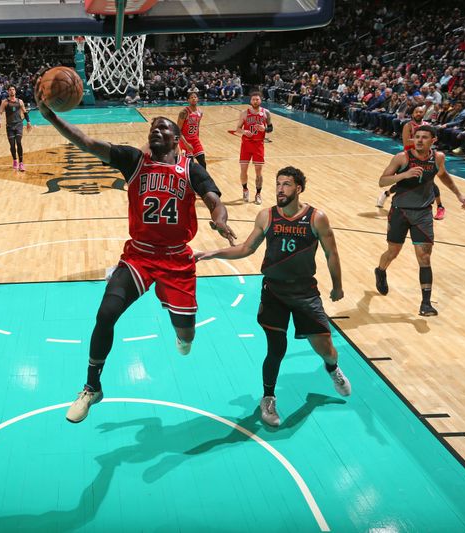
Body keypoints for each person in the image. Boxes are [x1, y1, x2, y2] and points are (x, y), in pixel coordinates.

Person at [35, 87, 237, 424]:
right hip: (139, 256)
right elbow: (86, 142)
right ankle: (91, 387)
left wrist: (219, 219)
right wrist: (52, 117)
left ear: (176, 140)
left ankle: (180, 329)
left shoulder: (191, 168)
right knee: (106, 313)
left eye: (163, 128)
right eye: (152, 128)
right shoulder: (134, 160)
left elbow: (214, 199)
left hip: (176, 259)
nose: (155, 131)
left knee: (186, 335)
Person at [196, 166, 351, 427]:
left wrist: (338, 286)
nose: (280, 189)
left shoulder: (316, 218)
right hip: (274, 291)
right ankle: (268, 398)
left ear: (298, 188)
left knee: (326, 349)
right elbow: (247, 248)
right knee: (276, 348)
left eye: (287, 184)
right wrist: (214, 253)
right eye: (278, 184)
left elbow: (331, 254)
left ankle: (332, 368)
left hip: (305, 292)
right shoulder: (266, 216)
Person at [374, 125, 465, 316]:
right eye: (416, 137)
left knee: (424, 257)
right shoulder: (402, 158)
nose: (419, 140)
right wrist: (404, 175)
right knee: (393, 252)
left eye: (424, 137)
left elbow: (443, 176)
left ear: (433, 140)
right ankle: (380, 270)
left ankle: (425, 303)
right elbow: (382, 181)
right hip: (399, 212)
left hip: (423, 214)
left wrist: (459, 195)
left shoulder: (438, 158)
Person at [377, 105, 445, 219]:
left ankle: (440, 207)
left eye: (421, 112)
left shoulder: (427, 126)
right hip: (410, 157)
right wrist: (422, 140)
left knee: (429, 182)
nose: (419, 113)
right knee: (405, 183)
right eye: (416, 112)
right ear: (413, 113)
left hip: (424, 156)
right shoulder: (408, 125)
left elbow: (431, 140)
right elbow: (406, 143)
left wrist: (425, 142)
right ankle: (387, 193)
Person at [235, 91, 273, 205]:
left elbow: (271, 128)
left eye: (257, 99)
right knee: (243, 170)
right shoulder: (244, 113)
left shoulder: (266, 113)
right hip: (246, 144)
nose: (255, 101)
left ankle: (258, 194)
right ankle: (245, 190)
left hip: (258, 145)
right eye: (253, 99)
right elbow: (237, 129)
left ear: (260, 100)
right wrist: (244, 131)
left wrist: (264, 129)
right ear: (250, 100)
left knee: (258, 172)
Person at [0, 86, 32, 171]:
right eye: (10, 90)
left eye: (13, 90)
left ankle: (21, 163)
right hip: (9, 126)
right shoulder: (5, 102)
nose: (12, 91)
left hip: (19, 125)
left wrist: (28, 122)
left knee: (19, 142)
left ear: (15, 91)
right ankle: (15, 160)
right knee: (12, 145)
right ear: (8, 92)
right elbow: (0, 112)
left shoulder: (20, 101)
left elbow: (25, 112)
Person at [177, 90, 206, 168]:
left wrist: (197, 138)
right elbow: (177, 130)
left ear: (197, 99)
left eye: (195, 97)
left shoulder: (200, 112)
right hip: (184, 140)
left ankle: (202, 180)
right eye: (191, 97)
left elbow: (197, 127)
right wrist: (186, 144)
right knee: (190, 165)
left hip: (195, 140)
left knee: (203, 162)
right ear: (188, 100)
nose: (193, 98)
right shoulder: (184, 112)